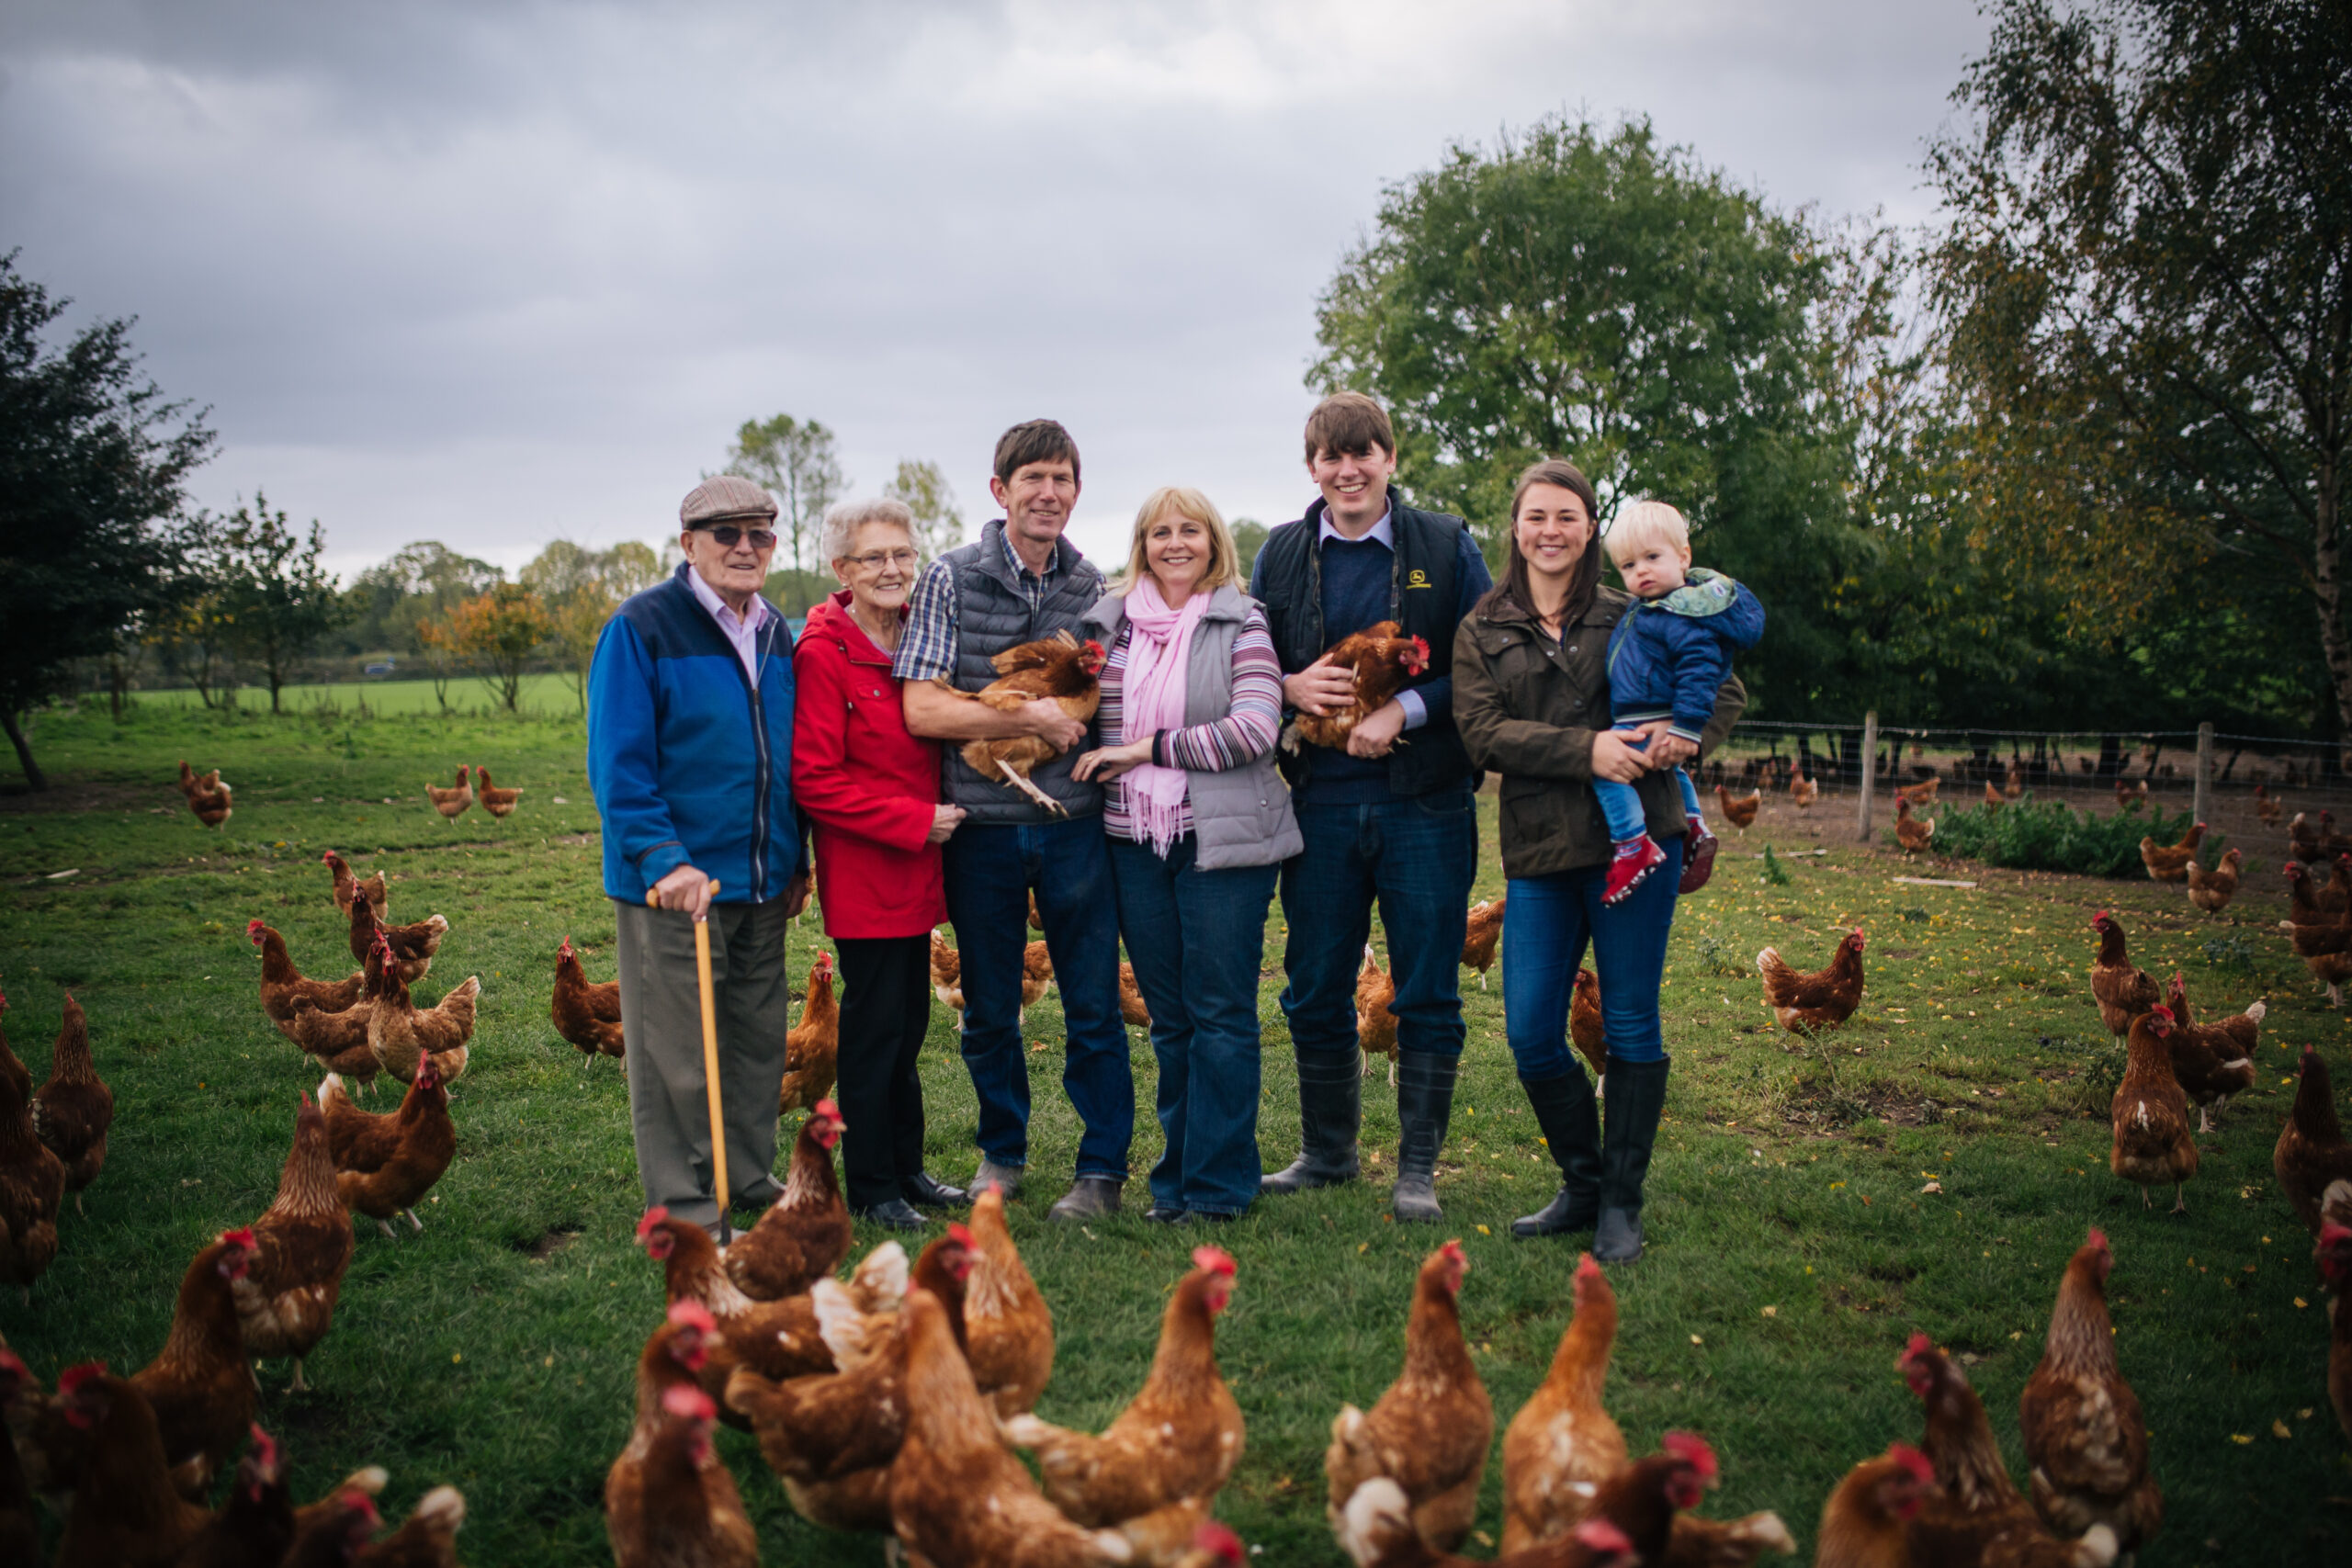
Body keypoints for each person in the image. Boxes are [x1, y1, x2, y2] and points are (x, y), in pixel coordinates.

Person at [1453, 459, 1745, 1262]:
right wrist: (1588, 749)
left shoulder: (1635, 608)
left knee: (1627, 1021)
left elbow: (1723, 690)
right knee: (1532, 1031)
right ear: (1515, 526)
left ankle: (1621, 1199)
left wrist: (1676, 740)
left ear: (1589, 527)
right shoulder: (1484, 627)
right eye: (1536, 516)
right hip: (1542, 851)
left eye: (1568, 517)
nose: (1551, 531)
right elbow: (1483, 735)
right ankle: (1581, 1180)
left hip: (1641, 844)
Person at [1250, 391, 1493, 1222]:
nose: (1348, 469)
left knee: (1425, 985)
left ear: (1392, 458)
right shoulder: (1280, 555)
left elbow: (1487, 664)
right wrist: (1286, 685)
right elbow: (1247, 665)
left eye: (1365, 453)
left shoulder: (1446, 544)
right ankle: (1327, 1150)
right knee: (1315, 982)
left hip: (1423, 803)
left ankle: (1417, 1167)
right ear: (1312, 468)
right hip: (1316, 806)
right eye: (1331, 456)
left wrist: (1406, 710)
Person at [895, 420, 1134, 1221]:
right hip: (986, 828)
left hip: (1073, 826)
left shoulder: (1090, 584)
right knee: (992, 1003)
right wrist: (1022, 714)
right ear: (1000, 491)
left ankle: (1101, 1165)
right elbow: (922, 705)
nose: (1048, 492)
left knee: (1094, 1000)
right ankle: (1004, 1150)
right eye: (1032, 478)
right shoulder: (950, 579)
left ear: (1075, 491)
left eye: (1062, 478)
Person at [588, 474, 812, 1236]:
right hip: (677, 883)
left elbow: (787, 754)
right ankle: (684, 1208)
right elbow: (619, 763)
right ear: (688, 543)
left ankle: (745, 1174)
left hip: (762, 878)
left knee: (757, 1041)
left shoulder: (778, 629)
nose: (746, 548)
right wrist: (661, 858)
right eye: (728, 534)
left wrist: (795, 857)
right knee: (678, 1051)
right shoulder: (642, 626)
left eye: (761, 534)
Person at [1074, 487, 1300, 1224]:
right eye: (1160, 531)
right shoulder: (1111, 626)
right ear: (1142, 542)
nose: (1176, 543)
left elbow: (1256, 728)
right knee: (1169, 1018)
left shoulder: (1243, 619)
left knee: (1222, 1012)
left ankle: (1220, 1183)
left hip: (1223, 838)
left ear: (1214, 542)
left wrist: (1147, 748)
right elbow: (1081, 720)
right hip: (1132, 838)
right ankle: (1173, 1178)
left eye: (1191, 530)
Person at [792, 496, 970, 1230]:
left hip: (921, 869)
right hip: (870, 867)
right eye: (874, 557)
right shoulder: (824, 652)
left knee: (911, 1021)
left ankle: (908, 1166)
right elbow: (815, 777)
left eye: (902, 554)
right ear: (843, 569)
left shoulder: (917, 634)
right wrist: (914, 820)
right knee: (873, 1032)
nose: (893, 569)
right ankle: (870, 1185)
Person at [1586, 500, 1763, 904]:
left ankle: (1632, 843)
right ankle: (1695, 823)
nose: (1641, 570)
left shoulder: (1681, 613)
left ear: (1684, 557)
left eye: (1652, 557)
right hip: (1646, 714)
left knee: (1607, 770)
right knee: (1675, 770)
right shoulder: (1646, 610)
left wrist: (1686, 726)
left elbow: (1702, 671)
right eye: (1629, 566)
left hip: (1649, 717)